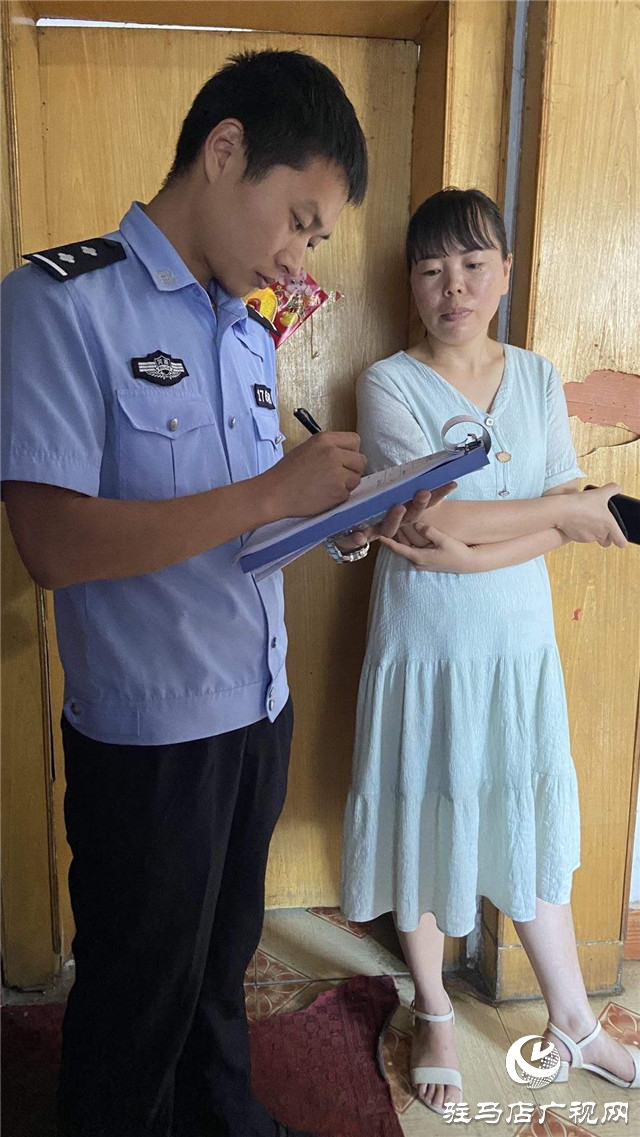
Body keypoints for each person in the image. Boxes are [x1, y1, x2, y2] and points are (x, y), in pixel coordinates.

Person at [1, 50, 450, 1137]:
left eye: (315, 239)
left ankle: (223, 1116)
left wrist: (348, 520)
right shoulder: (60, 302)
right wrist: (270, 491)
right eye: (299, 220)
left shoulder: (246, 325)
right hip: (152, 736)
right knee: (137, 999)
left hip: (257, 708)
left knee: (218, 971)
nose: (299, 255)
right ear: (225, 149)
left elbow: (240, 534)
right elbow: (52, 543)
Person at [340, 188, 638, 1115]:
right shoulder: (388, 383)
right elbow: (439, 518)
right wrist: (561, 512)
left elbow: (521, 526)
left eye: (473, 265)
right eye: (432, 270)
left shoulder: (539, 378)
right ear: (410, 284)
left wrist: (482, 548)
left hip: (516, 647)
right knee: (427, 815)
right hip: (425, 647)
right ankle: (433, 1009)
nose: (454, 287)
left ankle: (573, 1020)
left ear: (505, 272)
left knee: (525, 818)